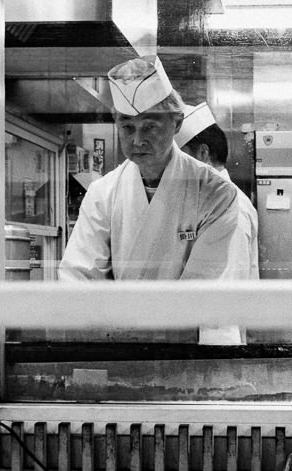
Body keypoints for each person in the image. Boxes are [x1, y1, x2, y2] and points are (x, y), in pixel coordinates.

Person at [58, 56, 251, 343]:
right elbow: (78, 279)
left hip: (190, 348)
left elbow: (197, 292)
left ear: (177, 123)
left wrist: (123, 320)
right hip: (119, 347)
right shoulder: (103, 193)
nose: (137, 140)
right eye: (127, 127)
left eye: (149, 126)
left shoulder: (215, 194)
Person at [175, 102, 258, 280]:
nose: (173, 169)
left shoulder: (232, 207)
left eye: (178, 159)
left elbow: (227, 285)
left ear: (203, 153)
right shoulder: (201, 201)